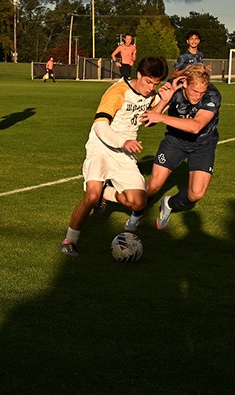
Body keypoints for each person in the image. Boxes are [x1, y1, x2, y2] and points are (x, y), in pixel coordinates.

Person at [60, 56, 169, 256]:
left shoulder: (151, 95)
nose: (150, 88)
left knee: (139, 202)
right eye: (148, 82)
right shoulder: (118, 92)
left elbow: (150, 120)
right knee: (91, 196)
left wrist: (166, 99)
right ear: (139, 74)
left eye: (155, 84)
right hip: (101, 148)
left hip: (124, 154)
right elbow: (100, 125)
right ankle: (70, 240)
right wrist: (123, 141)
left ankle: (106, 193)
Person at [140, 63, 221, 231]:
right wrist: (164, 100)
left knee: (196, 194)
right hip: (175, 141)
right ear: (185, 83)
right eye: (194, 91)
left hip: (203, 144)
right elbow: (148, 120)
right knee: (153, 186)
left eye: (202, 92)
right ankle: (135, 212)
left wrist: (162, 118)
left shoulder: (212, 96)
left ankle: (169, 203)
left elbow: (196, 126)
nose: (198, 96)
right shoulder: (174, 89)